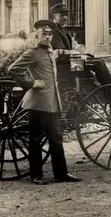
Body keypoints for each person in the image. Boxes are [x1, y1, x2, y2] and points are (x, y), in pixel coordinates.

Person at [8, 19, 82, 185]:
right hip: (38, 103)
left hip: (52, 103)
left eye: (50, 34)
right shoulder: (32, 53)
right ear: (37, 35)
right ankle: (36, 175)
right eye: (44, 34)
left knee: (56, 138)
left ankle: (61, 174)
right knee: (36, 140)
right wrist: (30, 83)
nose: (47, 37)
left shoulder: (50, 51)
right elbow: (13, 69)